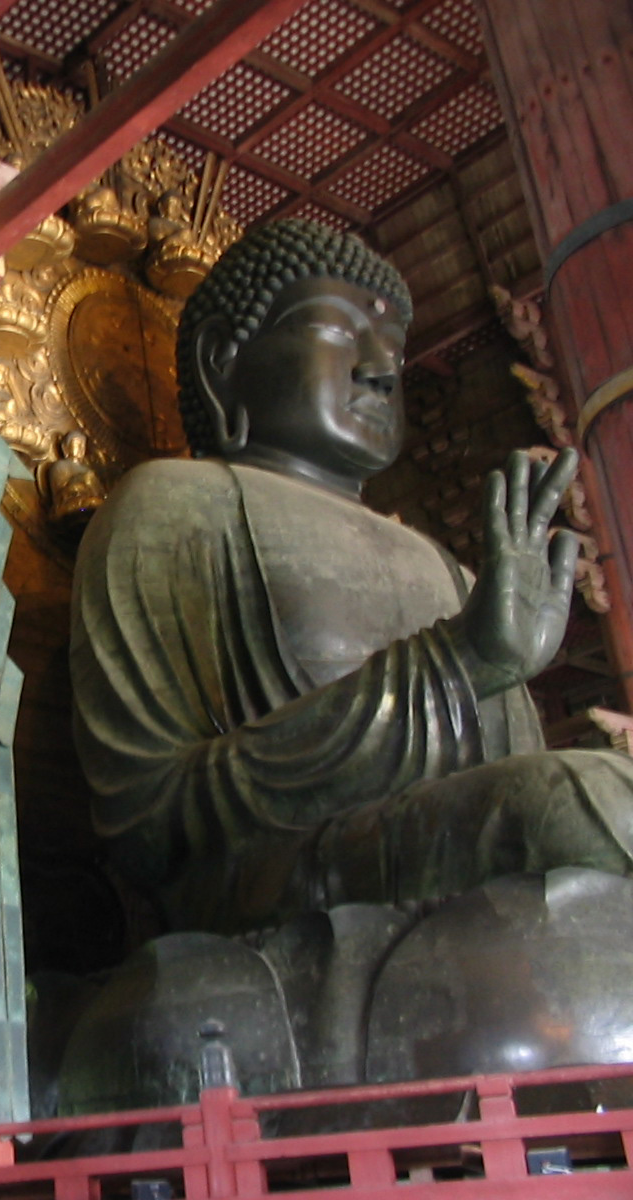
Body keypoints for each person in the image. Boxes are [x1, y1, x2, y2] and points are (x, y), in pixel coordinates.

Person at [70, 218, 633, 933]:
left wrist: (489, 666)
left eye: (392, 349)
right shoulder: (173, 504)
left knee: (596, 804)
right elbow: (149, 823)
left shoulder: (445, 567)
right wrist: (460, 663)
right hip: (276, 879)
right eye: (338, 333)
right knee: (579, 809)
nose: (382, 368)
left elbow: (503, 778)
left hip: (460, 853)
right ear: (221, 362)